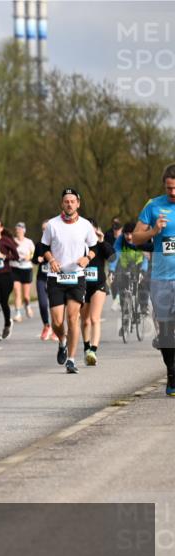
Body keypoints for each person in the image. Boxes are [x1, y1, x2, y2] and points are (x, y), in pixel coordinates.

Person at [41, 188, 99, 374]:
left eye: (72, 201)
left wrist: (87, 258)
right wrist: (51, 259)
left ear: (78, 203)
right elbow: (43, 246)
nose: (69, 204)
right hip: (56, 278)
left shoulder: (85, 225)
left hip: (76, 277)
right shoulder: (52, 224)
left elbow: (94, 247)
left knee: (73, 318)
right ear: (62, 204)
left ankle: (71, 360)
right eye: (66, 201)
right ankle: (62, 341)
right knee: (58, 322)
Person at [130, 162, 175, 396]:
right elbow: (136, 238)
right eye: (169, 189)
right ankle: (172, 373)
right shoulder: (153, 206)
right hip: (161, 278)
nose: (173, 193)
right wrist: (154, 232)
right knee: (166, 330)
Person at [80, 223, 114, 366]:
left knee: (95, 318)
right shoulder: (79, 244)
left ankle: (93, 350)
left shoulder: (100, 244)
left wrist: (102, 241)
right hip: (82, 286)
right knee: (85, 320)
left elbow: (112, 257)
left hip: (98, 285)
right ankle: (86, 347)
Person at [0, 219, 18, 341]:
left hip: (6, 276)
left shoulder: (6, 241)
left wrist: (5, 257)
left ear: (1, 228)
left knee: (3, 302)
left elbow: (16, 256)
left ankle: (7, 323)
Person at [11, 222, 36, 321]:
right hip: (15, 268)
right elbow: (8, 251)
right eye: (17, 230)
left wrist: (29, 256)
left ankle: (28, 305)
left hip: (26, 269)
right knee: (17, 292)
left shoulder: (29, 242)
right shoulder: (12, 241)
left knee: (26, 296)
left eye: (21, 230)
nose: (19, 231)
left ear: (24, 231)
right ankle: (18, 314)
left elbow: (34, 253)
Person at [34, 225, 55, 341]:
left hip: (54, 278)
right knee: (42, 304)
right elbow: (33, 260)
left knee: (54, 305)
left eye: (46, 229)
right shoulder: (39, 245)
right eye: (42, 229)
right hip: (41, 278)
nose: (44, 231)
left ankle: (56, 329)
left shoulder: (57, 243)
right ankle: (46, 325)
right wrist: (37, 259)